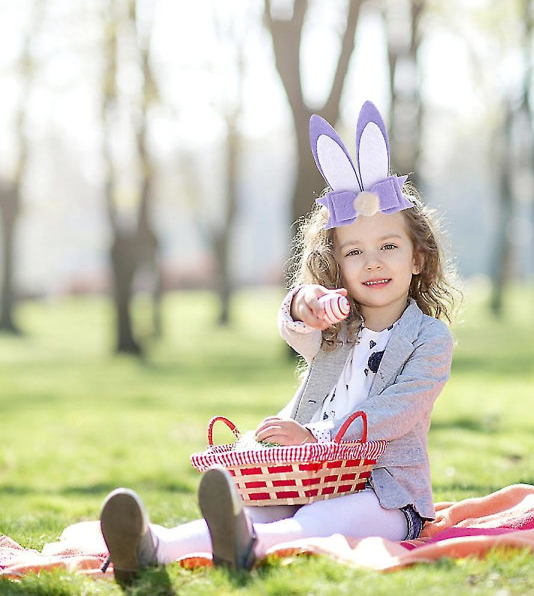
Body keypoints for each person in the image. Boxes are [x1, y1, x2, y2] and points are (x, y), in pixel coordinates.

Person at [99, 101, 459, 583]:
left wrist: (319, 437)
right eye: (354, 252)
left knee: (319, 523)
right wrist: (302, 304)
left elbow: (399, 409)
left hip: (386, 494)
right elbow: (296, 329)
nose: (372, 263)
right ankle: (151, 546)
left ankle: (245, 544)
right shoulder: (339, 328)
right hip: (308, 479)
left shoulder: (429, 337)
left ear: (418, 258)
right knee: (265, 510)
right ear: (339, 268)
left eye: (388, 247)